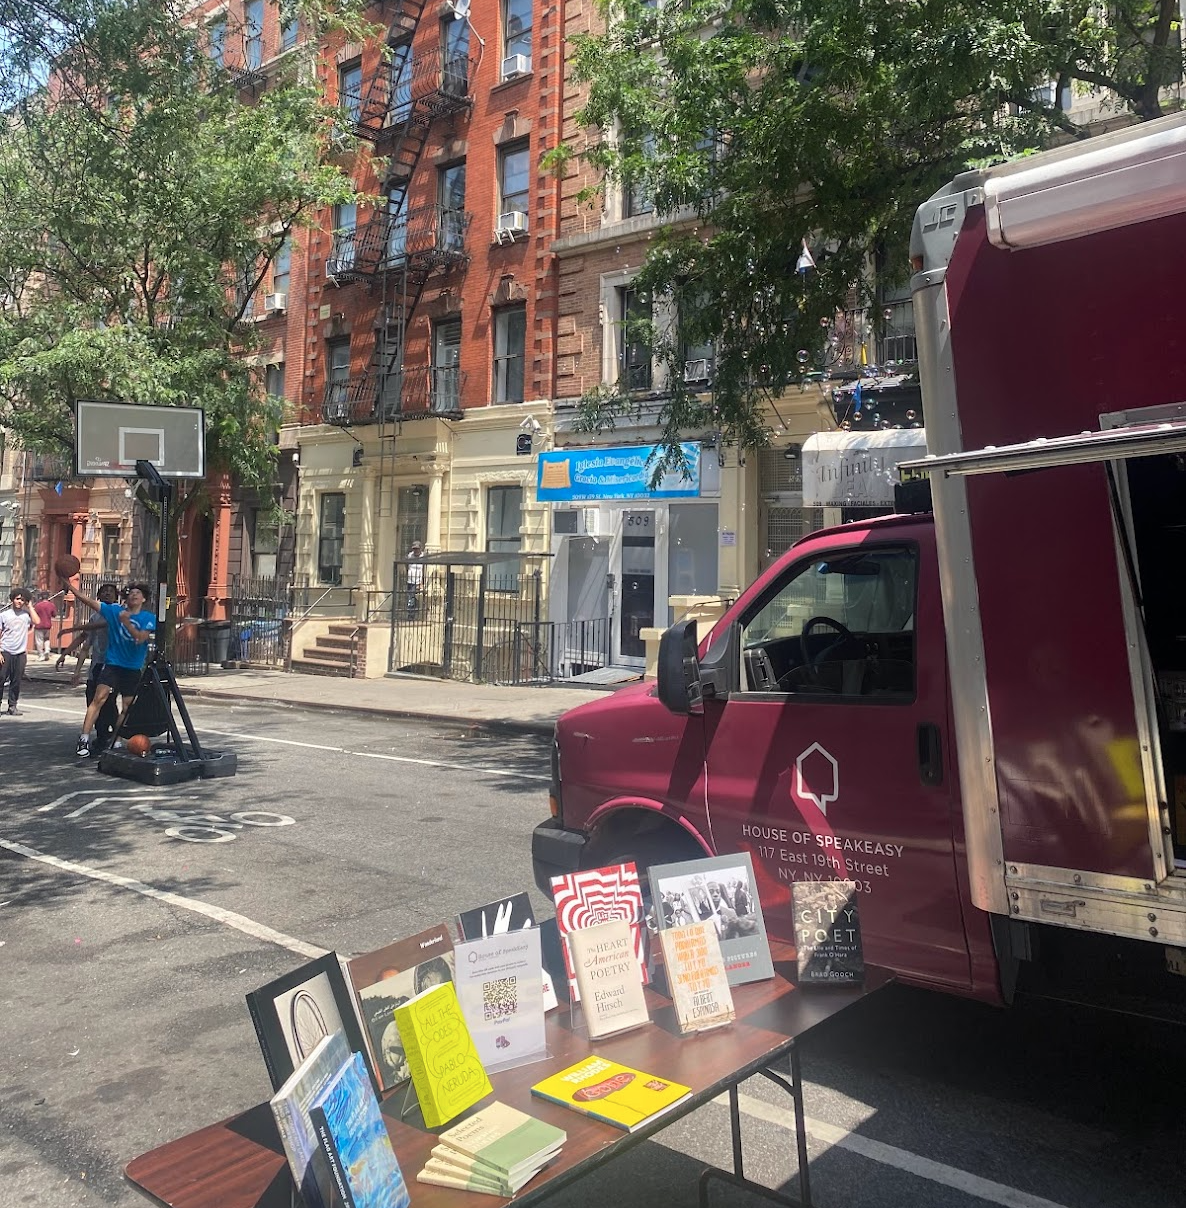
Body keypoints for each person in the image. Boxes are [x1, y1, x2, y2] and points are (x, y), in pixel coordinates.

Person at [61, 576, 156, 758]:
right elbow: (88, 601)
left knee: (127, 707)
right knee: (99, 698)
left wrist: (126, 621)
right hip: (112, 665)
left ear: (144, 599)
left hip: (133, 668)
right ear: (126, 598)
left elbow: (140, 638)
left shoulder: (148, 618)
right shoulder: (113, 611)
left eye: (138, 593)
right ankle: (84, 738)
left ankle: (116, 739)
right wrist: (71, 588)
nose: (134, 595)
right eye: (131, 593)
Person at [57, 583, 122, 754]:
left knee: (109, 704)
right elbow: (85, 643)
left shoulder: (118, 613)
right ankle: (103, 737)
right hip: (97, 665)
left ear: (116, 597)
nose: (108, 594)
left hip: (114, 664)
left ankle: (113, 738)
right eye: (104, 592)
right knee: (93, 702)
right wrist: (68, 658)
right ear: (98, 596)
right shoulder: (94, 617)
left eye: (111, 592)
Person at [0, 588, 37, 716]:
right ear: (12, 599)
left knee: (16, 680)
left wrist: (30, 606)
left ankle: (12, 706)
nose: (19, 602)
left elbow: (37, 621)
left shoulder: (26, 616)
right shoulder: (4, 615)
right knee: (1, 678)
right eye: (17, 599)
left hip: (20, 653)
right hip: (5, 651)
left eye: (22, 599)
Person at [32, 590, 58, 660]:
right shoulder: (51, 605)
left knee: (39, 640)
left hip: (39, 625)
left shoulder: (37, 605)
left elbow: (34, 614)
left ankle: (41, 654)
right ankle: (47, 650)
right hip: (47, 625)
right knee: (47, 638)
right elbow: (54, 614)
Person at [405, 540, 424, 619]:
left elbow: (424, 569)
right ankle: (411, 614)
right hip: (411, 581)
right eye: (414, 549)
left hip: (419, 580)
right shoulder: (410, 556)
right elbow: (406, 566)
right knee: (411, 598)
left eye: (417, 549)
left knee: (419, 598)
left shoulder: (423, 556)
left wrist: (422, 581)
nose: (415, 551)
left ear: (420, 549)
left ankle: (421, 614)